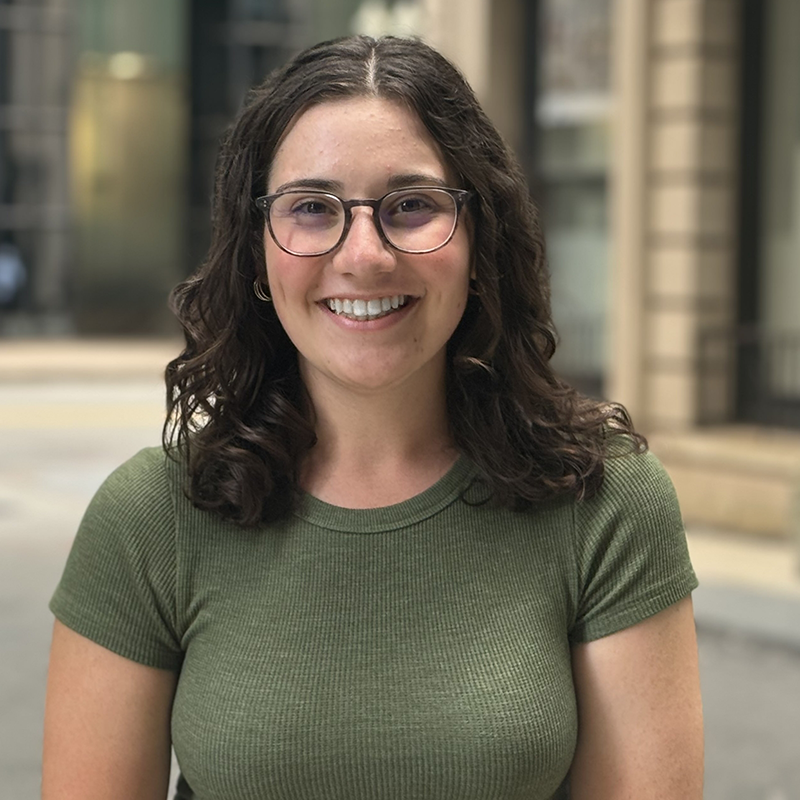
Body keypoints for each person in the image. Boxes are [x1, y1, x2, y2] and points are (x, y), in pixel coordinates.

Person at [42, 35, 703, 800]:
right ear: (257, 254)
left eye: (412, 205)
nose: (365, 255)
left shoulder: (603, 502)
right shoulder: (150, 520)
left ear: (480, 236)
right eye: (313, 208)